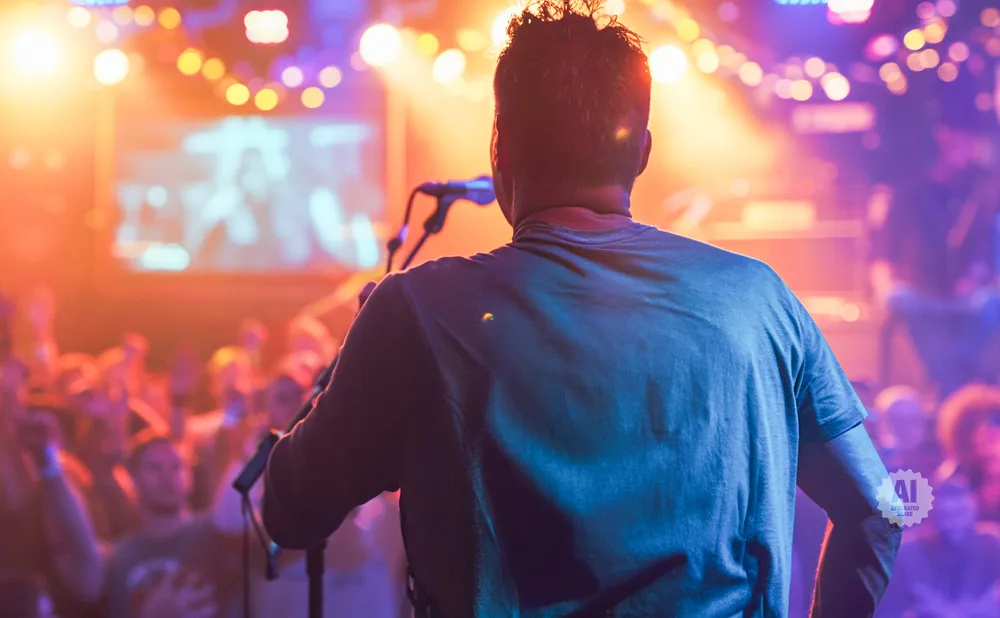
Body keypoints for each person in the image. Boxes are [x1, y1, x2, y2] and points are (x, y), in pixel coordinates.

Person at [263, 2, 901, 616]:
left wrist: (359, 351)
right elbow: (877, 508)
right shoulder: (760, 298)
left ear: (499, 149)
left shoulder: (417, 311)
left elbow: (291, 510)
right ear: (641, 151)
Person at [871, 78, 1000, 396]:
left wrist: (979, 276)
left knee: (990, 305)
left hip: (965, 296)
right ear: (942, 137)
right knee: (900, 299)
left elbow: (987, 250)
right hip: (920, 292)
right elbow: (882, 256)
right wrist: (885, 288)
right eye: (958, 138)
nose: (965, 146)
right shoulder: (907, 194)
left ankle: (953, 377)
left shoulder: (980, 192)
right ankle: (953, 388)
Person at [877, 471, 1000, 617]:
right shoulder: (907, 555)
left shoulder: (991, 544)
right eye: (945, 515)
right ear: (930, 514)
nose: (953, 525)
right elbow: (890, 611)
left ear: (974, 508)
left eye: (959, 514)